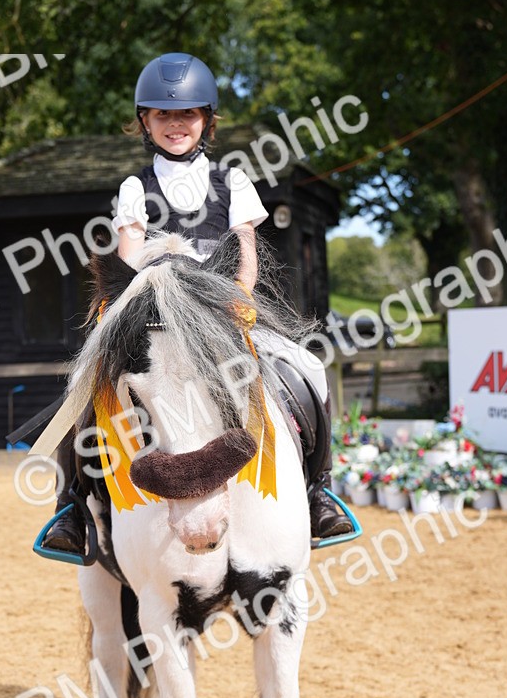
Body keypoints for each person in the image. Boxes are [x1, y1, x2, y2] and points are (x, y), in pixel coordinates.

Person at [42, 52, 350, 553]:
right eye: (163, 114)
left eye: (186, 114)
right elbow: (130, 257)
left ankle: (320, 493)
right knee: (83, 387)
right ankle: (73, 508)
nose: (175, 124)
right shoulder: (134, 187)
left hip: (222, 310)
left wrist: (239, 300)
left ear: (206, 119)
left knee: (308, 367)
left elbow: (245, 253)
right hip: (158, 315)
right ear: (145, 121)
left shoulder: (232, 180)